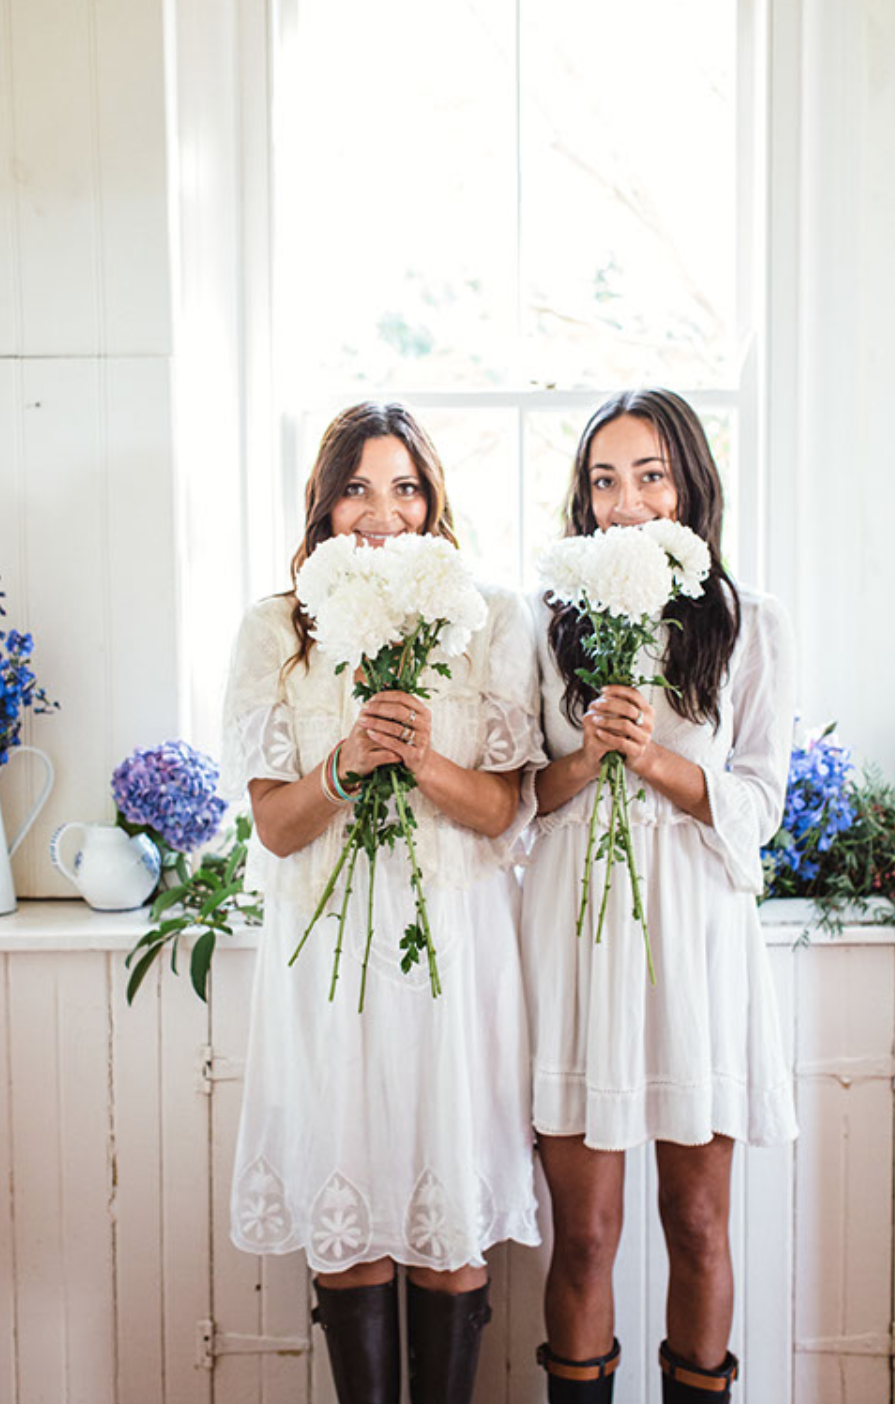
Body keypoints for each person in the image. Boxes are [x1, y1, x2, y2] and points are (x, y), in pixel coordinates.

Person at [218, 401, 544, 1404]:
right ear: (323, 506)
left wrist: (420, 759)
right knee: (349, 1222)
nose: (382, 513)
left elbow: (503, 810)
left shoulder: (490, 617)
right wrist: (346, 763)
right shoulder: (275, 627)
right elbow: (275, 827)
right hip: (329, 964)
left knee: (450, 1232)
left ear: (433, 501)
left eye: (405, 488)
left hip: (454, 949)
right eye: (356, 488)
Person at [521, 389, 797, 1403]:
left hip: (695, 942)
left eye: (650, 476)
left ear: (691, 485)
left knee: (698, 1222)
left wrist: (659, 763)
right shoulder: (542, 620)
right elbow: (514, 798)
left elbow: (761, 804)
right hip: (573, 938)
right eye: (604, 480)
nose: (626, 502)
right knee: (585, 1234)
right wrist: (587, 756)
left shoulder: (750, 623)